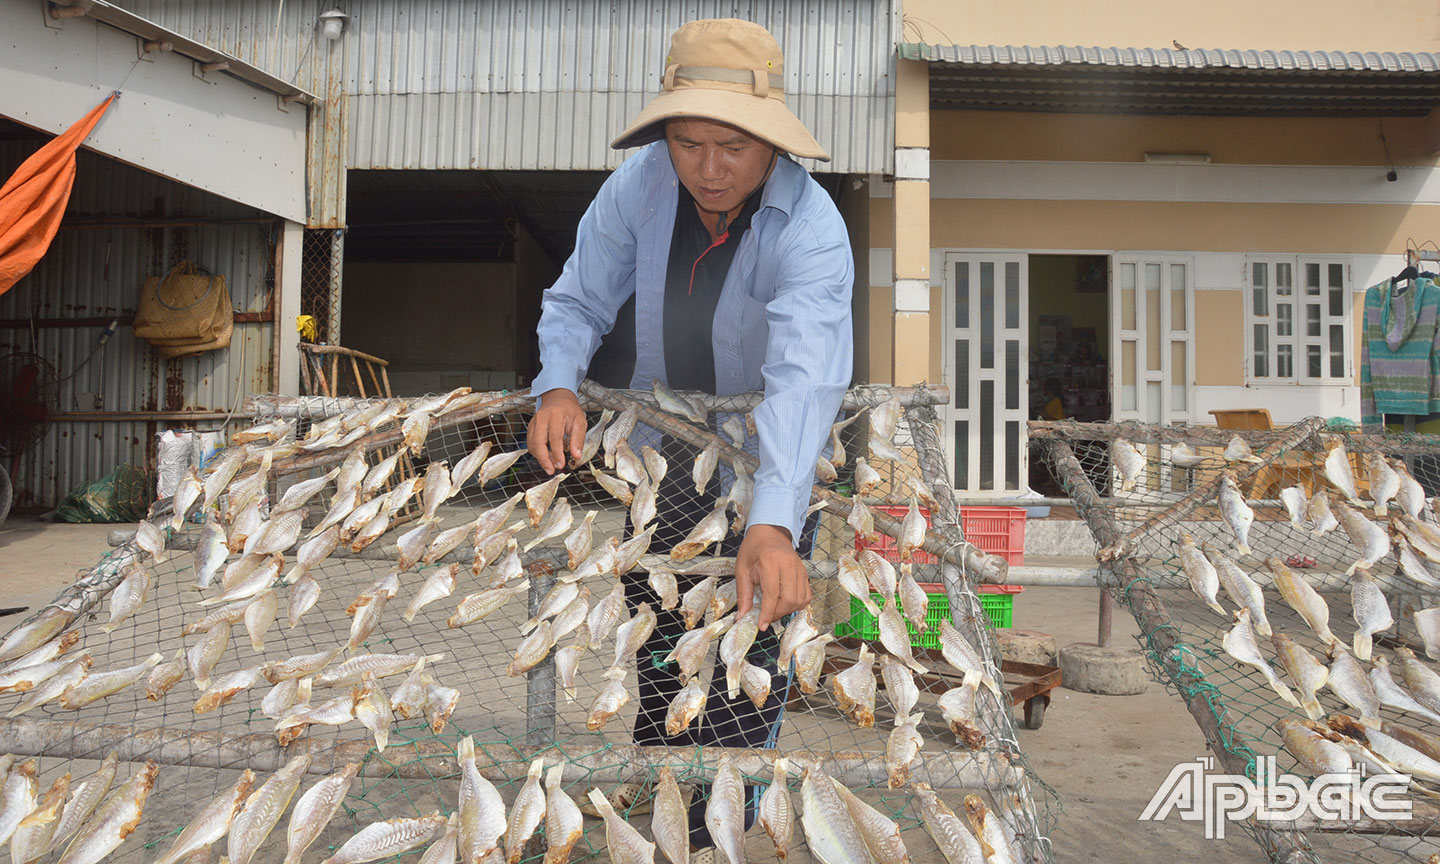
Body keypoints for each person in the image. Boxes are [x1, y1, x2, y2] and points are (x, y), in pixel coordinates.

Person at [525, 17, 853, 856]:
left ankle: (725, 835)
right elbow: (576, 299)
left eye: (732, 148)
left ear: (771, 143)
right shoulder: (639, 186)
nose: (708, 169)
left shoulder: (812, 232)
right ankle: (670, 813)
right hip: (662, 455)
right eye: (687, 142)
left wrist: (774, 523)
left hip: (765, 462)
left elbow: (802, 382)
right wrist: (559, 383)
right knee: (662, 649)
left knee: (743, 674)